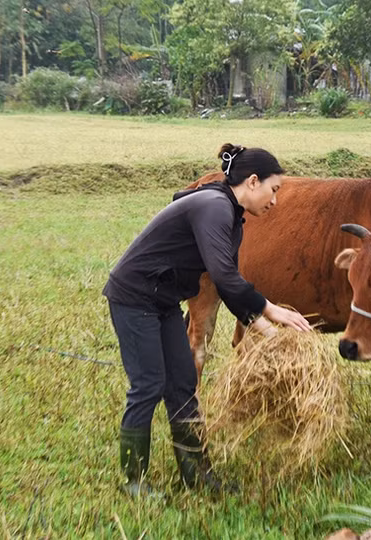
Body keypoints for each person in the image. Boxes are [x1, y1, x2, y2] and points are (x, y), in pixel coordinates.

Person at [102, 143, 311, 497]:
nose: (275, 202)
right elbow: (226, 277)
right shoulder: (213, 207)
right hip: (134, 296)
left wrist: (264, 329)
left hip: (164, 300)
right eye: (274, 191)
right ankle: (134, 481)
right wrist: (271, 309)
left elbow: (224, 284)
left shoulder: (232, 218)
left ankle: (197, 474)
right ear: (253, 181)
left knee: (183, 386)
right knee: (149, 385)